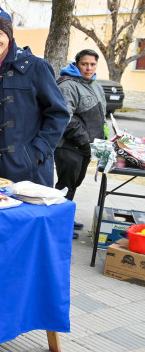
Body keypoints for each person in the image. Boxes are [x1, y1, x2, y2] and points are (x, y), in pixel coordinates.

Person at [0, 5, 69, 186]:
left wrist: (36, 154)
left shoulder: (36, 67)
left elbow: (58, 114)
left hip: (31, 172)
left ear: (9, 34)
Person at [55, 49, 106, 234]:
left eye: (92, 64)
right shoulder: (68, 85)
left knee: (74, 184)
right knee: (64, 186)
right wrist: (84, 142)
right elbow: (65, 119)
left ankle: (65, 218)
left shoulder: (94, 84)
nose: (89, 68)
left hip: (84, 147)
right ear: (76, 65)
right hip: (69, 146)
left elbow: (101, 116)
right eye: (84, 64)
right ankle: (59, 225)